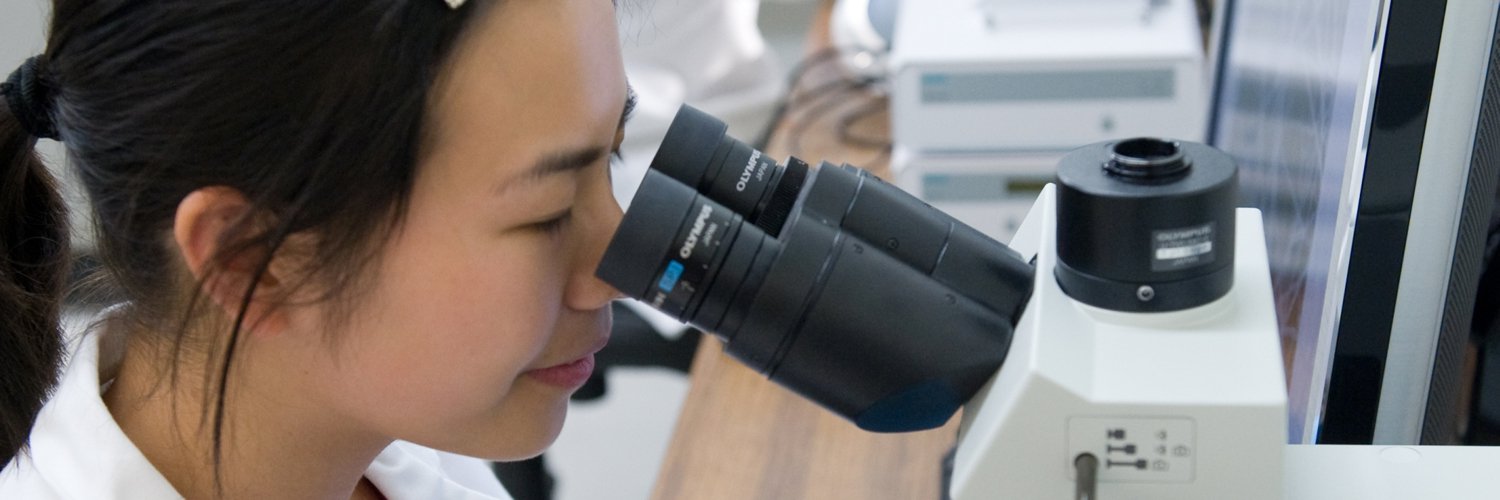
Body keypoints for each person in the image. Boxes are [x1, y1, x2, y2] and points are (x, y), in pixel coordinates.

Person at [0, 0, 631, 498]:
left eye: (615, 153)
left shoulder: (388, 446)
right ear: (253, 260)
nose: (620, 269)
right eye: (548, 214)